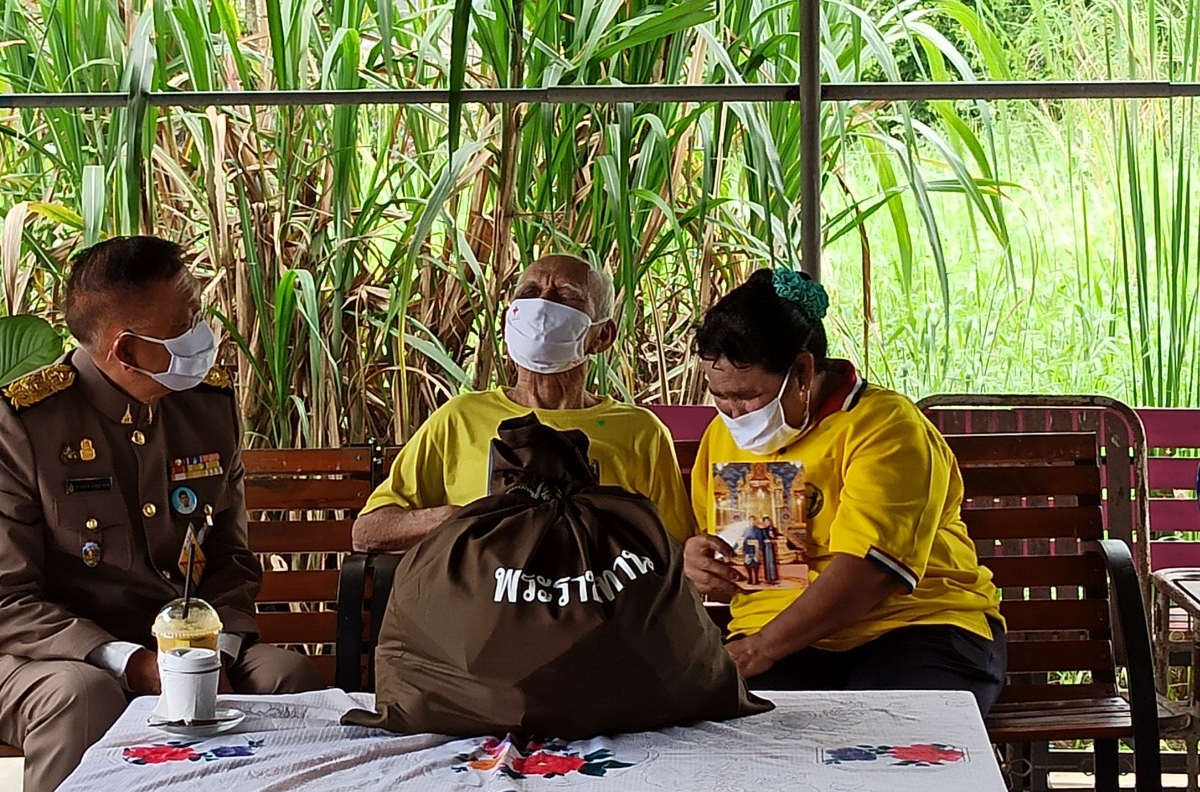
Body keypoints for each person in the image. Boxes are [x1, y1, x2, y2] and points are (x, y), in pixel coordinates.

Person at [0, 236, 325, 792]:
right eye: (184, 324)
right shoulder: (21, 422)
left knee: (286, 679)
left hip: (192, 645)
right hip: (43, 658)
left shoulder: (207, 406)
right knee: (85, 696)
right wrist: (134, 664)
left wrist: (211, 653)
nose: (202, 335)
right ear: (126, 350)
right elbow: (5, 601)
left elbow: (230, 558)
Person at [682, 268, 1006, 715]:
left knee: (894, 736)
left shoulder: (887, 427)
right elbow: (757, 559)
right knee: (760, 744)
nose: (733, 413)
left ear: (802, 371)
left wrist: (760, 650)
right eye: (720, 396)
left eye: (748, 396)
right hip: (775, 635)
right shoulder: (723, 438)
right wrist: (700, 562)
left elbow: (869, 573)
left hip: (916, 625)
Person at [351, 254, 695, 552]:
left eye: (566, 297)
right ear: (509, 319)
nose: (543, 304)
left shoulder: (640, 431)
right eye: (529, 293)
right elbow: (368, 531)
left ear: (602, 336)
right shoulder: (460, 418)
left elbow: (673, 545)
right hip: (484, 614)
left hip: (597, 616)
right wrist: (456, 519)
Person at [759, 515, 780, 584]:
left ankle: (773, 577)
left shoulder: (773, 529)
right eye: (765, 521)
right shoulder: (762, 530)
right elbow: (761, 539)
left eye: (768, 521)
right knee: (766, 562)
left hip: (771, 546)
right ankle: (768, 578)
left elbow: (776, 538)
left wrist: (771, 539)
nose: (766, 522)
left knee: (772, 562)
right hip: (765, 546)